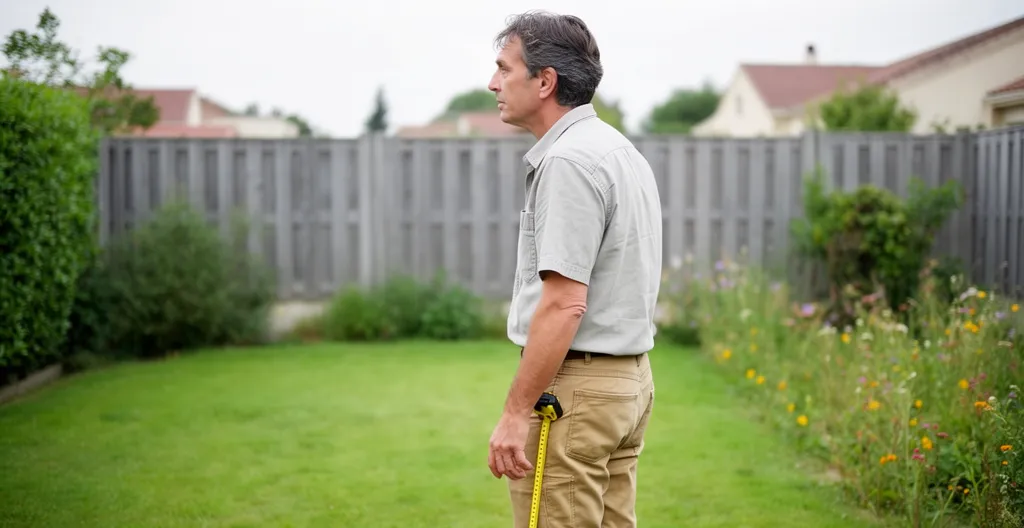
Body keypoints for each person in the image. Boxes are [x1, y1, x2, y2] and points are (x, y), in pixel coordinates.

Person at [485, 11, 663, 528]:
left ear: (545, 81)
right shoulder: (619, 151)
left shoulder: (568, 162)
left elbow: (565, 302)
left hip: (576, 396)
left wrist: (516, 412)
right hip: (628, 385)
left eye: (504, 68)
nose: (492, 83)